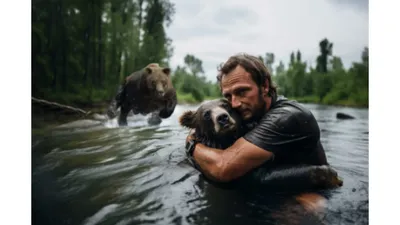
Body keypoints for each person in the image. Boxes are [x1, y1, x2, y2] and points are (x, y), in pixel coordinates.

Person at [185, 53, 329, 183]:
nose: (234, 104)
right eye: (228, 96)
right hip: (277, 187)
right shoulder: (251, 114)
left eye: (242, 91)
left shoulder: (287, 116)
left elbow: (223, 167)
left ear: (265, 85)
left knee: (311, 204)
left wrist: (192, 143)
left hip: (308, 195)